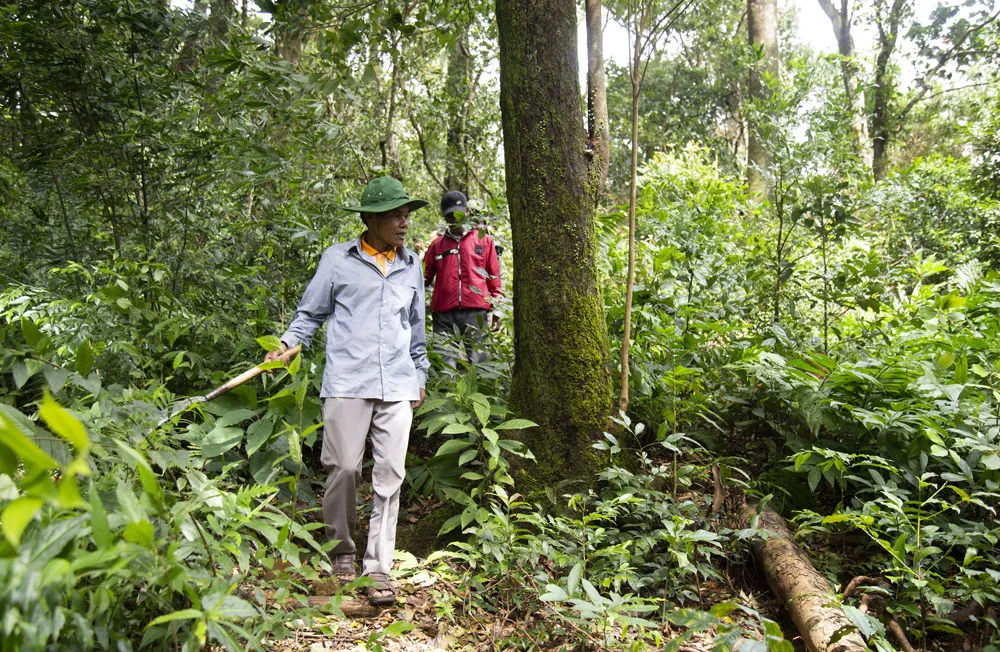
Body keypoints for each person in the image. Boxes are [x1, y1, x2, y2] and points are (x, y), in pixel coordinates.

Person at [263, 176, 428, 606]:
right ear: (370, 219)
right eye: (395, 214)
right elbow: (310, 314)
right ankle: (341, 550)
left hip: (397, 382)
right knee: (343, 468)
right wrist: (286, 343)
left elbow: (416, 329)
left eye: (406, 213)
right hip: (347, 382)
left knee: (391, 474)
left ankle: (380, 568)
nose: (403, 221)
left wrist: (420, 375)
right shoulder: (337, 260)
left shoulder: (412, 265)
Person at [422, 190, 502, 366]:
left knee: (480, 366)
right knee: (444, 367)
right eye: (450, 215)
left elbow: (494, 276)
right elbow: (422, 278)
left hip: (476, 312)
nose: (454, 218)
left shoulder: (484, 241)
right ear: (445, 217)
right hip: (444, 315)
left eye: (458, 213)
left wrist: (497, 308)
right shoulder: (436, 246)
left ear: (467, 212)